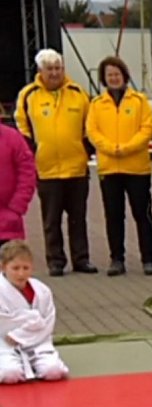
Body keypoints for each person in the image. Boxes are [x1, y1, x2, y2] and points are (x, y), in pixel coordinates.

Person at [14, 49, 97, 276]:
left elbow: (90, 124)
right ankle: (56, 261)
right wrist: (32, 151)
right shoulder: (28, 95)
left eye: (58, 68)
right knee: (51, 221)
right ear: (40, 71)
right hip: (46, 169)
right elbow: (22, 125)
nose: (54, 73)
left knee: (78, 218)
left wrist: (86, 148)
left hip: (77, 168)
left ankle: (82, 259)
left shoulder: (78, 93)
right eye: (49, 69)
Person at [86, 56, 152, 277]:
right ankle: (117, 259)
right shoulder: (97, 105)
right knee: (114, 216)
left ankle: (149, 258)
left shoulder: (139, 101)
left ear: (124, 75)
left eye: (117, 74)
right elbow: (92, 131)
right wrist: (110, 147)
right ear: (104, 79)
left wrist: (126, 148)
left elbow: (147, 129)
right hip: (109, 168)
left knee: (142, 214)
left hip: (137, 168)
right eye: (109, 75)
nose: (114, 78)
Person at [0, 240, 68, 384]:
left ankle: (32, 364)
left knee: (54, 371)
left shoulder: (42, 291)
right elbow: (4, 323)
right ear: (3, 267)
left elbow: (47, 323)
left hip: (38, 344)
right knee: (10, 374)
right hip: (5, 345)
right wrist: (34, 320)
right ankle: (19, 365)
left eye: (26, 268)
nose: (21, 273)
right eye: (15, 268)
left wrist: (20, 332)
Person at [0, 121, 37, 249]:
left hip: (7, 225)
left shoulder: (12, 137)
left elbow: (27, 172)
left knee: (10, 266)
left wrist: (16, 207)